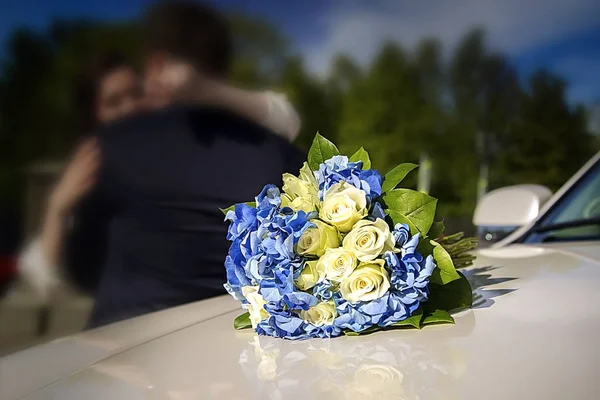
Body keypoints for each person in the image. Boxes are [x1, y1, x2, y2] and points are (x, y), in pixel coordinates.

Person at [22, 0, 305, 329]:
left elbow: (285, 118)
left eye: (136, 93)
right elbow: (45, 276)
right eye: (114, 102)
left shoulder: (118, 150)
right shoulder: (275, 153)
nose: (132, 109)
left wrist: (200, 90)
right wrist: (58, 209)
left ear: (155, 69)